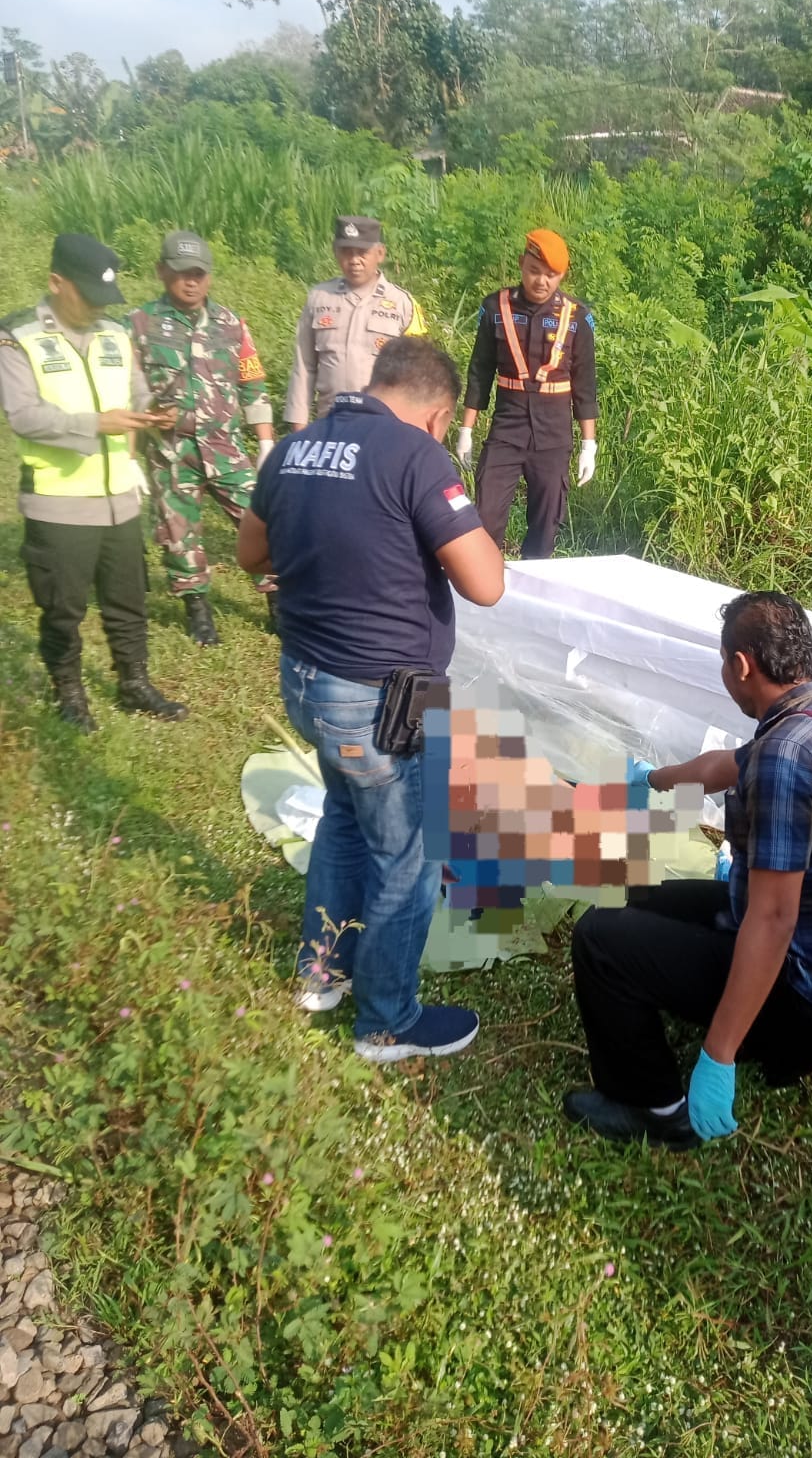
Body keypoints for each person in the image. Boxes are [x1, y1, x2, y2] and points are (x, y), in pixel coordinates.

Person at [237, 335, 506, 1064]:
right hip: (380, 698)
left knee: (344, 822)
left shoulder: (297, 446)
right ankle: (386, 1020)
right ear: (438, 415)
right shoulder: (416, 456)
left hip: (306, 677)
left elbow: (249, 553)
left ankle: (320, 975)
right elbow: (486, 582)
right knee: (408, 854)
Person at [563, 591, 812, 1148]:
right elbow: (724, 766)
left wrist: (719, 1055)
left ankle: (656, 1108)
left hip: (809, 995)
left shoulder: (786, 759)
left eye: (723, 661)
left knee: (599, 937)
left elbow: (774, 919)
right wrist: (648, 781)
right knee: (637, 899)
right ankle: (788, 1047)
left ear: (741, 664)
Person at [0, 233, 187, 732]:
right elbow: (24, 415)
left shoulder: (114, 335)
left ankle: (134, 682)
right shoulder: (18, 338)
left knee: (127, 600)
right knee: (63, 609)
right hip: (59, 504)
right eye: (89, 296)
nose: (98, 309)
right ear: (56, 283)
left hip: (120, 497)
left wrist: (153, 414)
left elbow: (136, 392)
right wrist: (96, 424)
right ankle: (69, 693)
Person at [127, 231, 278, 647]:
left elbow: (252, 383)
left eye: (198, 273)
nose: (190, 282)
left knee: (261, 521)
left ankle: (279, 604)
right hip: (171, 453)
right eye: (180, 274)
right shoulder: (139, 325)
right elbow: (125, 385)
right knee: (179, 533)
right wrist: (130, 449)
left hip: (227, 448)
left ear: (209, 276)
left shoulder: (231, 324)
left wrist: (265, 443)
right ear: (162, 273)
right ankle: (198, 611)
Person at [457, 229, 597, 560]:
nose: (541, 281)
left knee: (545, 527)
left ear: (563, 275)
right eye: (534, 271)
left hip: (553, 436)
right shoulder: (495, 307)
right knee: (485, 517)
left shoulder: (577, 316)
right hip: (507, 430)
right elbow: (479, 371)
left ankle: (531, 602)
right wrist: (466, 430)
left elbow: (585, 383)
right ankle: (486, 596)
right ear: (521, 264)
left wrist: (588, 445)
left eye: (551, 275)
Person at [284, 216, 428, 430]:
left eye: (362, 253)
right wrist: (299, 429)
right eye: (346, 252)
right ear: (335, 252)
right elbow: (304, 366)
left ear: (380, 253)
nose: (354, 260)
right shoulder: (319, 298)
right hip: (330, 422)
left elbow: (415, 374)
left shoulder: (402, 304)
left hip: (382, 425)